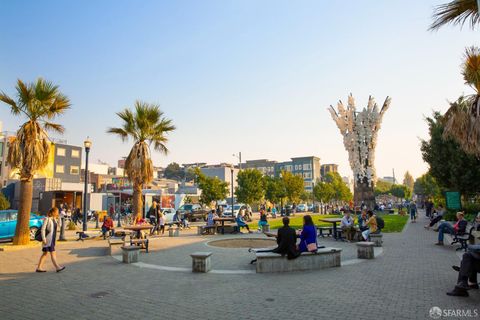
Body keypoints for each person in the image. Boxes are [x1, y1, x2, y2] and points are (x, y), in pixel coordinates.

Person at [36, 207, 65, 273]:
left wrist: (59, 217)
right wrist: (44, 239)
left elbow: (60, 225)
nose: (58, 213)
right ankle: (57, 267)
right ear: (53, 212)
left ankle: (39, 268)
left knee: (45, 253)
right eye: (57, 212)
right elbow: (43, 229)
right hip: (48, 240)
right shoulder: (47, 219)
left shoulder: (54, 219)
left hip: (52, 239)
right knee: (52, 252)